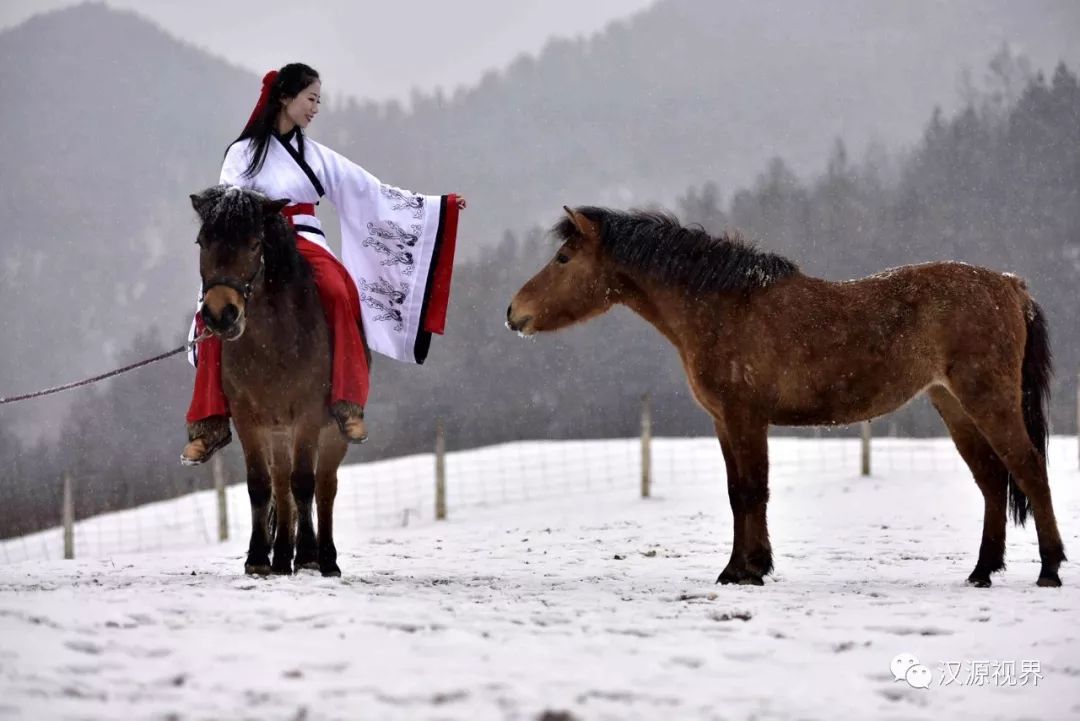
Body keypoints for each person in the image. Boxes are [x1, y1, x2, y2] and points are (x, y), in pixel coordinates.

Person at [182, 62, 466, 465]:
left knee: (338, 290)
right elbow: (229, 208)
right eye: (311, 99)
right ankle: (208, 422)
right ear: (285, 98)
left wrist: (439, 207)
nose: (316, 108)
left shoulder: (316, 156)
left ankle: (347, 400)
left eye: (319, 100)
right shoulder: (241, 154)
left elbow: (371, 191)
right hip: (254, 246)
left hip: (305, 242)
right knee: (211, 313)